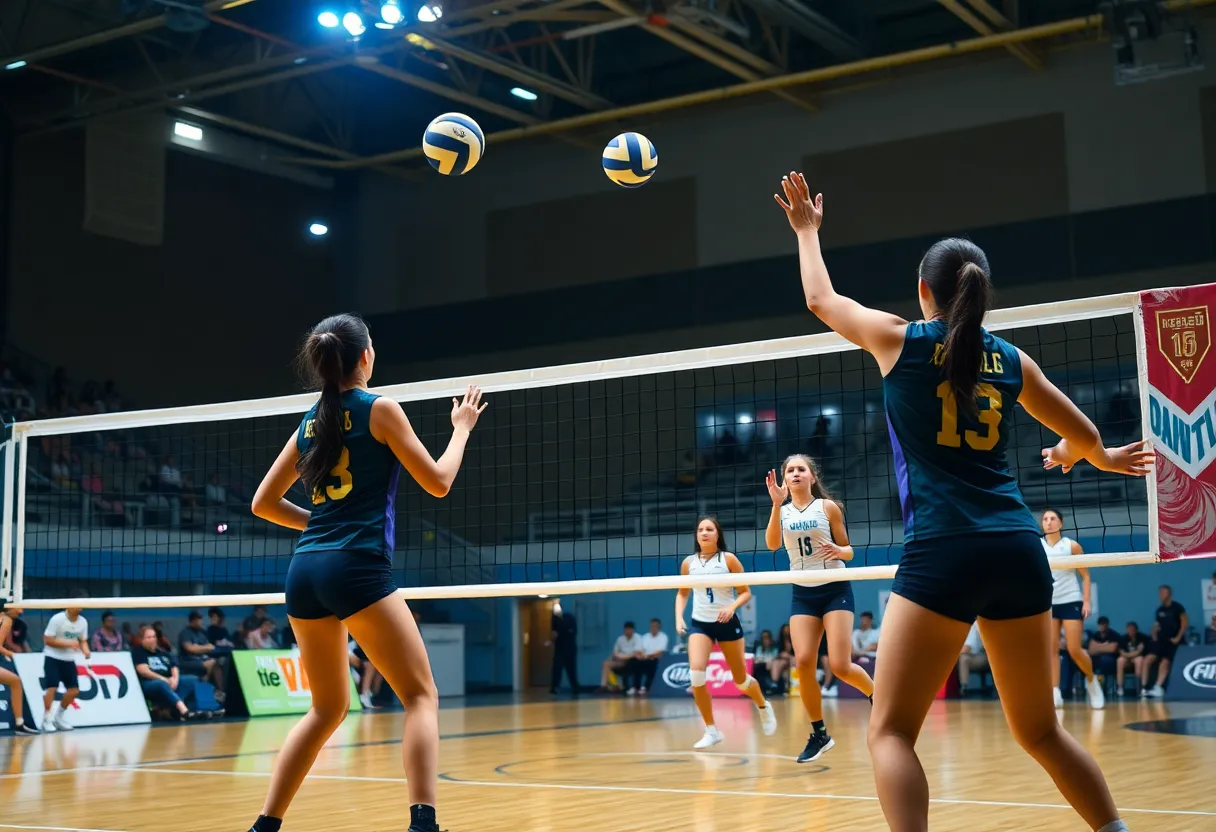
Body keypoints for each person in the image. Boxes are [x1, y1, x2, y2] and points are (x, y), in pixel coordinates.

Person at [775, 171, 1151, 832]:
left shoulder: (899, 340)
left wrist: (807, 231)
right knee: (1040, 732)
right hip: (1017, 549)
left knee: (890, 732)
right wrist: (1093, 457)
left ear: (924, 291)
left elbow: (818, 297)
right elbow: (1086, 434)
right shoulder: (1011, 360)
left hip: (943, 552)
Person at [247, 313, 487, 832]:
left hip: (305, 569)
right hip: (355, 566)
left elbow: (263, 503)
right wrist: (461, 429)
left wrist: (321, 526)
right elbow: (440, 482)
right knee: (421, 696)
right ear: (364, 357)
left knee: (326, 708)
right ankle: (423, 824)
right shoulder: (381, 410)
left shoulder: (311, 419)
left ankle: (265, 825)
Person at [765, 454, 874, 763]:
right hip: (803, 592)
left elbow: (849, 550)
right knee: (802, 661)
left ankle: (877, 697)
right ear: (784, 480)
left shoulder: (828, 508)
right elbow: (773, 545)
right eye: (790, 470)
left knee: (839, 665)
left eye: (801, 469)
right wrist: (775, 504)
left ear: (812, 477)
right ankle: (819, 734)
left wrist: (840, 550)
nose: (796, 473)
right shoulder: (782, 512)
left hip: (835, 587)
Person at [675, 516, 777, 749]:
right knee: (696, 676)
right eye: (700, 529)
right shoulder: (688, 563)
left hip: (727, 623)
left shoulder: (728, 559)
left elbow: (745, 592)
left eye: (709, 529)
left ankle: (763, 705)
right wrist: (679, 617)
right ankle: (711, 730)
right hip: (701, 623)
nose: (704, 533)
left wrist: (731, 607)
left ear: (717, 534)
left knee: (740, 681)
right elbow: (682, 593)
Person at [1041, 508, 1104, 709]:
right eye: (1045, 519)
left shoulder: (1072, 546)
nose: (1048, 522)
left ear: (1061, 523)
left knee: (1074, 649)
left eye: (1052, 519)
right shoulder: (1037, 545)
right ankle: (1054, 691)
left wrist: (1086, 601)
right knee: (1051, 650)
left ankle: (1092, 681)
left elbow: (1085, 576)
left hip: (1070, 600)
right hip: (1049, 603)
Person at [42, 601, 91, 732]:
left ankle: (58, 717)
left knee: (74, 690)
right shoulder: (57, 619)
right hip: (52, 657)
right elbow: (47, 640)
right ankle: (46, 719)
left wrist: (86, 651)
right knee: (52, 687)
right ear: (68, 604)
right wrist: (68, 644)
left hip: (68, 659)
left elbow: (83, 640)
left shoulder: (83, 622)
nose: (80, 605)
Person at [0, 603, 37, 734]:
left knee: (15, 681)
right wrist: (12, 654)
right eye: (18, 607)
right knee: (16, 682)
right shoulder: (6, 620)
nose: (21, 611)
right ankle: (19, 724)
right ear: (9, 607)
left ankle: (20, 724)